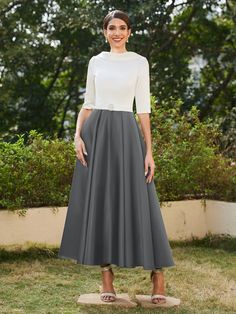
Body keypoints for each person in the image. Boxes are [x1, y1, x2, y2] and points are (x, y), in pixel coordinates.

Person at [58, 9, 175, 304]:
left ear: (130, 32)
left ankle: (157, 274)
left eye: (122, 27)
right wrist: (76, 136)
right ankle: (106, 276)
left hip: (126, 132)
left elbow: (143, 108)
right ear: (104, 32)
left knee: (142, 198)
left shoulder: (139, 62)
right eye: (112, 27)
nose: (117, 32)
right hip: (95, 134)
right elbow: (88, 102)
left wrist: (149, 151)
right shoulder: (96, 62)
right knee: (102, 203)